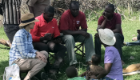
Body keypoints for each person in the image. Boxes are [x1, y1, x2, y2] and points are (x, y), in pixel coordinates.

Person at [30, 6, 66, 79]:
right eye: (49, 16)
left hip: (49, 42)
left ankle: (55, 68)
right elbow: (31, 37)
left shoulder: (54, 21)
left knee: (62, 48)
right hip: (38, 42)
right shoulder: (37, 20)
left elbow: (56, 34)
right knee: (44, 47)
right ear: (44, 13)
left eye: (52, 16)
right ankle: (48, 69)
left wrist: (58, 39)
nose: (50, 18)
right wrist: (42, 38)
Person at [9, 13, 48, 80]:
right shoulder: (20, 35)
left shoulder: (28, 34)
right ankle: (27, 78)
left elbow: (30, 49)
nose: (34, 23)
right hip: (17, 61)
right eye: (33, 22)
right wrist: (36, 56)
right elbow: (23, 54)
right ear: (29, 24)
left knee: (44, 53)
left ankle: (34, 75)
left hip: (24, 59)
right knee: (42, 62)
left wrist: (37, 53)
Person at [59, 1, 95, 66]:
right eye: (73, 10)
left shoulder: (81, 15)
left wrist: (81, 32)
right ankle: (73, 63)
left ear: (79, 8)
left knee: (89, 36)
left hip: (75, 34)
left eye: (77, 9)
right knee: (70, 38)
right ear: (70, 9)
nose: (75, 11)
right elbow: (64, 31)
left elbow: (85, 29)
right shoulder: (65, 15)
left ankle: (90, 60)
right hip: (64, 35)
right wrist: (79, 31)